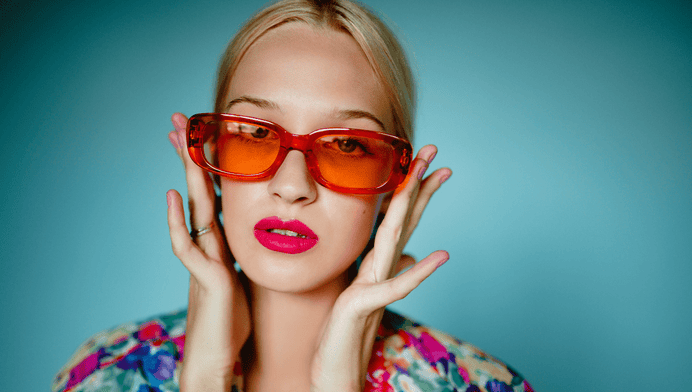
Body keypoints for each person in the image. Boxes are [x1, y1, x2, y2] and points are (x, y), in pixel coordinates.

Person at [52, 0, 535, 391]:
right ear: (209, 157)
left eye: (347, 145)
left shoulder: (474, 385)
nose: (291, 186)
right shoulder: (104, 373)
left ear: (396, 184)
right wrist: (204, 381)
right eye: (255, 135)